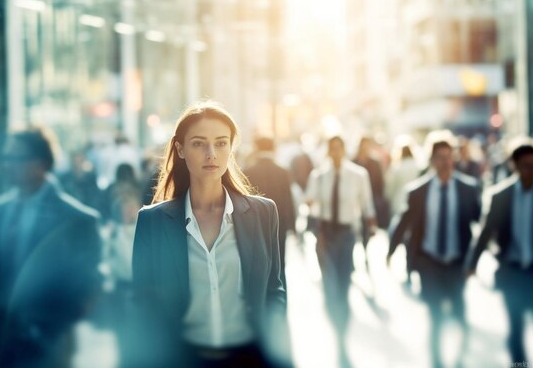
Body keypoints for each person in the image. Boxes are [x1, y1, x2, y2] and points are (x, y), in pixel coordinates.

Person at [131, 101, 290, 368]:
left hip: (249, 357)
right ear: (180, 149)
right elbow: (143, 302)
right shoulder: (152, 222)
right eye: (198, 143)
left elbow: (274, 289)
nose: (211, 154)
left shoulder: (264, 213)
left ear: (231, 147)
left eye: (221, 143)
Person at [0, 128, 102, 366]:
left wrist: (54, 326)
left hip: (48, 341)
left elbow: (86, 285)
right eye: (5, 156)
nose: (6, 164)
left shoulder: (76, 220)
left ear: (41, 164)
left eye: (15, 158)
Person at [386, 133, 481, 368]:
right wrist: (391, 251)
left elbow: (481, 222)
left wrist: (475, 260)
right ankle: (437, 362)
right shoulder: (418, 191)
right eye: (440, 157)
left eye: (449, 157)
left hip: (457, 261)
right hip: (428, 262)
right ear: (431, 160)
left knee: (458, 313)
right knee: (435, 316)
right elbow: (404, 222)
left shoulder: (467, 189)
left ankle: (460, 358)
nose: (446, 162)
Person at [467, 142, 533, 364]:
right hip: (511, 273)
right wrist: (471, 264)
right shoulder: (500, 196)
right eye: (526, 165)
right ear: (515, 166)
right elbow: (485, 232)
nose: (531, 170)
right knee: (516, 330)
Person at [304, 135, 376, 367]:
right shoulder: (319, 176)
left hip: (346, 234)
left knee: (344, 278)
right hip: (325, 234)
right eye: (331, 149)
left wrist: (371, 223)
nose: (335, 153)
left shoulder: (357, 175)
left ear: (344, 150)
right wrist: (311, 206)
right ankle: (333, 312)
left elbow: (367, 203)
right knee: (328, 280)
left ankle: (342, 318)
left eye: (338, 148)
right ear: (328, 151)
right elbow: (309, 201)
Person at [244, 136, 296, 289]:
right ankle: (280, 302)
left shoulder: (247, 171)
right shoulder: (283, 171)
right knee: (279, 265)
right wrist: (292, 225)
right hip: (280, 225)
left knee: (256, 265)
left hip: (254, 226)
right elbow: (288, 199)